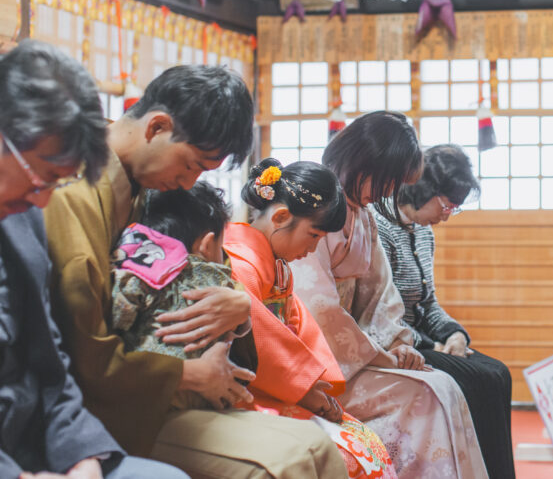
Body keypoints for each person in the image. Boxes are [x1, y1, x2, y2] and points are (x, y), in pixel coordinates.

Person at [44, 65, 352, 477]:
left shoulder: (153, 180)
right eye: (192, 164)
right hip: (118, 397)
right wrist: (188, 373)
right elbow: (86, 349)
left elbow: (215, 274)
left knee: (317, 447)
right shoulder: (72, 192)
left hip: (172, 382)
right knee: (282, 463)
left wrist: (238, 307)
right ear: (157, 127)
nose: (192, 180)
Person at [0, 40, 186, 478]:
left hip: (37, 445)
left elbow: (52, 365)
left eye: (56, 183)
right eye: (39, 178)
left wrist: (85, 457)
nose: (43, 201)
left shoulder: (21, 220)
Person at [291, 111, 489, 478]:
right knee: (426, 396)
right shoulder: (316, 203)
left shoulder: (363, 215)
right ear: (366, 162)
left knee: (444, 386)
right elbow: (317, 307)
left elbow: (381, 295)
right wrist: (379, 354)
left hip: (357, 355)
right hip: (319, 365)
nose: (388, 192)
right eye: (389, 180)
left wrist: (399, 343)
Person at [225, 158, 396, 479]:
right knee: (343, 455)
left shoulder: (277, 265)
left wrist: (314, 386)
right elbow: (258, 340)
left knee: (363, 441)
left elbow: (296, 329)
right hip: (247, 391)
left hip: (277, 386)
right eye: (313, 235)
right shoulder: (240, 264)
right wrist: (303, 390)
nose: (314, 247)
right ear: (280, 217)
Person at [375, 144, 515, 479]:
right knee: (478, 379)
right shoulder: (380, 228)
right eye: (447, 204)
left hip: (421, 340)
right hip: (395, 344)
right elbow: (379, 314)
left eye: (456, 207)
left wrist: (454, 335)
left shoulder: (423, 231)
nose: (449, 213)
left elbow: (428, 303)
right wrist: (432, 345)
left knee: (498, 372)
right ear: (424, 189)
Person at [110, 182, 257, 409]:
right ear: (207, 245)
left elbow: (117, 314)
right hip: (206, 396)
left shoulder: (139, 270)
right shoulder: (221, 279)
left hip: (150, 392)